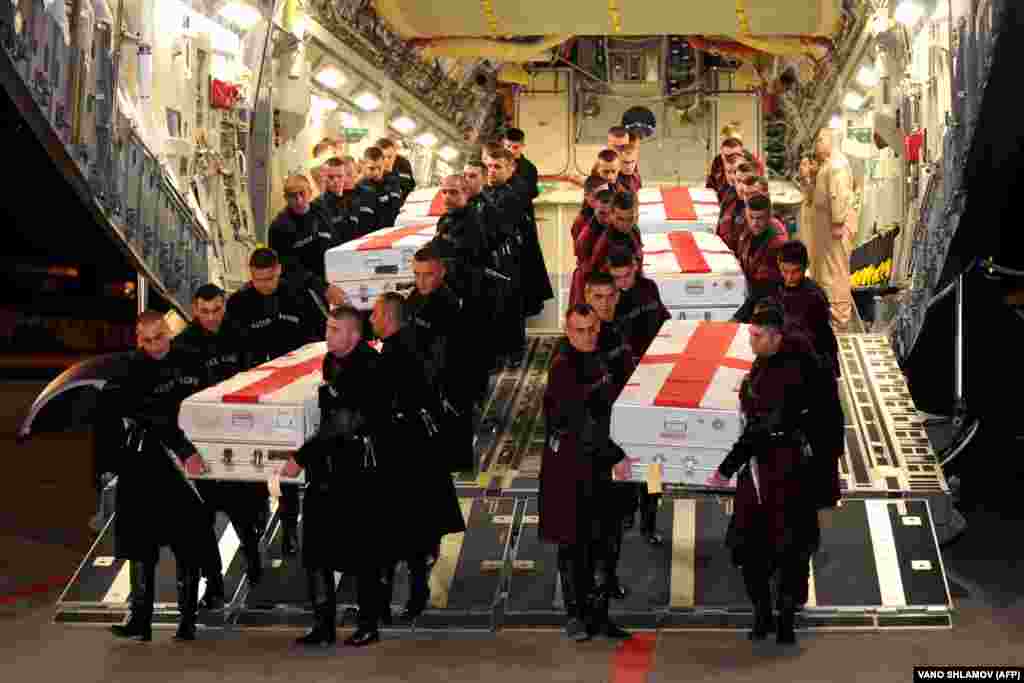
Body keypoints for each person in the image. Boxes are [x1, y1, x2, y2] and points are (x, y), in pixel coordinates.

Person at [706, 303, 842, 645]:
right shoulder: (787, 361)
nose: (750, 340)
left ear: (776, 336)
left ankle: (771, 620)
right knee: (789, 550)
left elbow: (759, 430)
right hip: (790, 466)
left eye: (756, 335)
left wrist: (725, 469)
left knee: (764, 549)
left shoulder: (782, 375)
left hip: (774, 470)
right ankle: (775, 620)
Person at [279, 306, 390, 647]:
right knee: (316, 549)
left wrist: (300, 456)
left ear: (354, 336)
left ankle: (369, 624)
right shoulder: (333, 361)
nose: (326, 334)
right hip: (326, 470)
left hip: (357, 472)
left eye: (334, 330)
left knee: (362, 552)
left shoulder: (368, 368)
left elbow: (343, 424)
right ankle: (323, 625)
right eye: (327, 328)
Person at [100, 312, 209, 642]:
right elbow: (150, 415)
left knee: (188, 543)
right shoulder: (129, 368)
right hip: (145, 463)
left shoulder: (191, 359)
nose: (154, 345)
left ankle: (188, 621)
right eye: (146, 340)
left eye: (159, 336)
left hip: (183, 464)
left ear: (169, 332)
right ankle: (140, 621)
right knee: (139, 545)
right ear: (138, 339)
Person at [222, 248, 325, 556]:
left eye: (268, 279)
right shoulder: (239, 303)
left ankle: (290, 526)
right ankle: (257, 519)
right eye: (257, 280)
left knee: (287, 460)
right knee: (255, 461)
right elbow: (231, 347)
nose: (263, 285)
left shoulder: (297, 295)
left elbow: (319, 336)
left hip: (291, 393)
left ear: (278, 271)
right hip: (253, 393)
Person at [371, 293, 467, 622]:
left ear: (387, 317)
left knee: (407, 530)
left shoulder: (393, 357)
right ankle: (414, 590)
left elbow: (391, 407)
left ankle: (411, 595)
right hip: (425, 451)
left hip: (408, 456)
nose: (371, 319)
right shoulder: (410, 345)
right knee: (419, 530)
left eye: (374, 314)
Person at [540, 304, 632, 642]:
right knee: (574, 546)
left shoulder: (598, 359)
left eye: (592, 328)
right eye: (580, 330)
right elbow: (582, 425)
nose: (588, 335)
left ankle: (600, 616)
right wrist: (617, 455)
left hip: (597, 469)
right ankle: (577, 616)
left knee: (603, 545)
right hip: (571, 472)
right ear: (567, 331)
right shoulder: (564, 369)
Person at [172, 284, 266, 609]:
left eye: (217, 310)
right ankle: (213, 585)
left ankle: (254, 565)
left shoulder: (240, 335)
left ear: (224, 306)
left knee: (243, 514)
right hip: (201, 443)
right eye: (205, 311)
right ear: (195, 310)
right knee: (201, 522)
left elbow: (255, 379)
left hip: (235, 439)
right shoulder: (182, 346)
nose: (211, 317)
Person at [608, 247, 671, 543]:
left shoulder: (649, 289)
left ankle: (649, 519)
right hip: (623, 390)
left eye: (627, 275)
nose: (622, 283)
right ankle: (624, 513)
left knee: (654, 462)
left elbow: (665, 323)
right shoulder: (610, 303)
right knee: (624, 455)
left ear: (636, 266)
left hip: (653, 384)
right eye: (616, 278)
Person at [582, 272, 639, 598]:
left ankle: (609, 575)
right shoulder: (582, 341)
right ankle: (590, 584)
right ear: (587, 297)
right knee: (592, 523)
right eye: (597, 297)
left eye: (609, 297)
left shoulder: (616, 333)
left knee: (615, 522)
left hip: (619, 439)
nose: (604, 304)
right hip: (592, 447)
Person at [405, 244, 476, 474]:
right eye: (417, 275)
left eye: (428, 275)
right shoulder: (416, 297)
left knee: (454, 442)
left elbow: (446, 354)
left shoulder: (448, 303)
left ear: (442, 272)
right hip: (426, 373)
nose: (421, 281)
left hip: (449, 377)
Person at [733, 241, 839, 378]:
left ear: (806, 266)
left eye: (796, 271)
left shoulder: (815, 297)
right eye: (785, 271)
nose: (789, 278)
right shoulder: (773, 285)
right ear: (778, 265)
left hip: (806, 364)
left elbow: (820, 341)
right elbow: (751, 302)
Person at [268, 174, 347, 310]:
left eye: (302, 193)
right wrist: (321, 287)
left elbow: (336, 243)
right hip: (303, 294)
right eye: (293, 196)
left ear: (310, 193)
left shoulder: (321, 212)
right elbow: (288, 267)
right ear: (286, 198)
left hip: (332, 282)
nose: (298, 200)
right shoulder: (279, 227)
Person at [482, 146, 528, 368]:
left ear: (510, 169)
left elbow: (500, 225)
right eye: (488, 166)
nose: (491, 171)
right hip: (492, 258)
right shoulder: (488, 192)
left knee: (511, 306)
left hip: (509, 257)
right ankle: (499, 352)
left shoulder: (513, 193)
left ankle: (515, 352)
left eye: (497, 167)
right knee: (495, 307)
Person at [504, 127, 554, 318]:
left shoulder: (529, 169)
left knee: (528, 258)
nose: (511, 151)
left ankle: (530, 303)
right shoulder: (496, 166)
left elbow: (529, 193)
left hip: (523, 219)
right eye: (508, 146)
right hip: (504, 219)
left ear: (522, 147)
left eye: (515, 147)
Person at [811, 128, 854, 331]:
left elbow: (839, 195)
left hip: (834, 230)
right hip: (826, 230)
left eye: (820, 140)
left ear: (830, 141)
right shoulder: (828, 165)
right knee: (828, 273)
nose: (817, 145)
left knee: (835, 273)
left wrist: (837, 222)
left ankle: (839, 320)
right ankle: (831, 318)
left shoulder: (836, 165)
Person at [736, 194, 787, 306]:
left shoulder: (777, 243)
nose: (755, 223)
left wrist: (737, 317)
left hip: (770, 300)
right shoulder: (746, 228)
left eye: (759, 218)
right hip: (749, 289)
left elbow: (763, 288)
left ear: (769, 216)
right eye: (751, 217)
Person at [569, 185, 613, 307]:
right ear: (594, 209)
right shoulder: (585, 234)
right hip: (590, 282)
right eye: (601, 213)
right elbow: (585, 262)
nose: (605, 218)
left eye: (609, 213)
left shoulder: (619, 228)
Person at [350, 146, 403, 238]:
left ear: (383, 164)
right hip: (366, 237)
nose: (376, 173)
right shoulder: (357, 187)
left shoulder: (392, 181)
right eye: (371, 168)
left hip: (388, 234)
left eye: (379, 168)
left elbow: (395, 210)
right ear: (363, 165)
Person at [588, 191, 643, 276]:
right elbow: (595, 274)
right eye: (620, 219)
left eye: (630, 219)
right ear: (611, 214)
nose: (625, 224)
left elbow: (639, 260)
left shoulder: (635, 230)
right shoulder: (604, 242)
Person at [311, 156, 359, 243]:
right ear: (324, 177)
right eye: (331, 177)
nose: (336, 180)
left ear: (345, 176)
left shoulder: (353, 199)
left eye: (339, 176)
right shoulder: (317, 206)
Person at [797, 155, 820, 279]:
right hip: (804, 226)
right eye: (801, 164)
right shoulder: (802, 185)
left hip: (812, 228)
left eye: (805, 164)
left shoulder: (814, 184)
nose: (801, 167)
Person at [378, 138, 416, 203]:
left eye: (390, 157)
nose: (386, 161)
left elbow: (406, 187)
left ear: (395, 155)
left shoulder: (403, 164)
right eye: (383, 157)